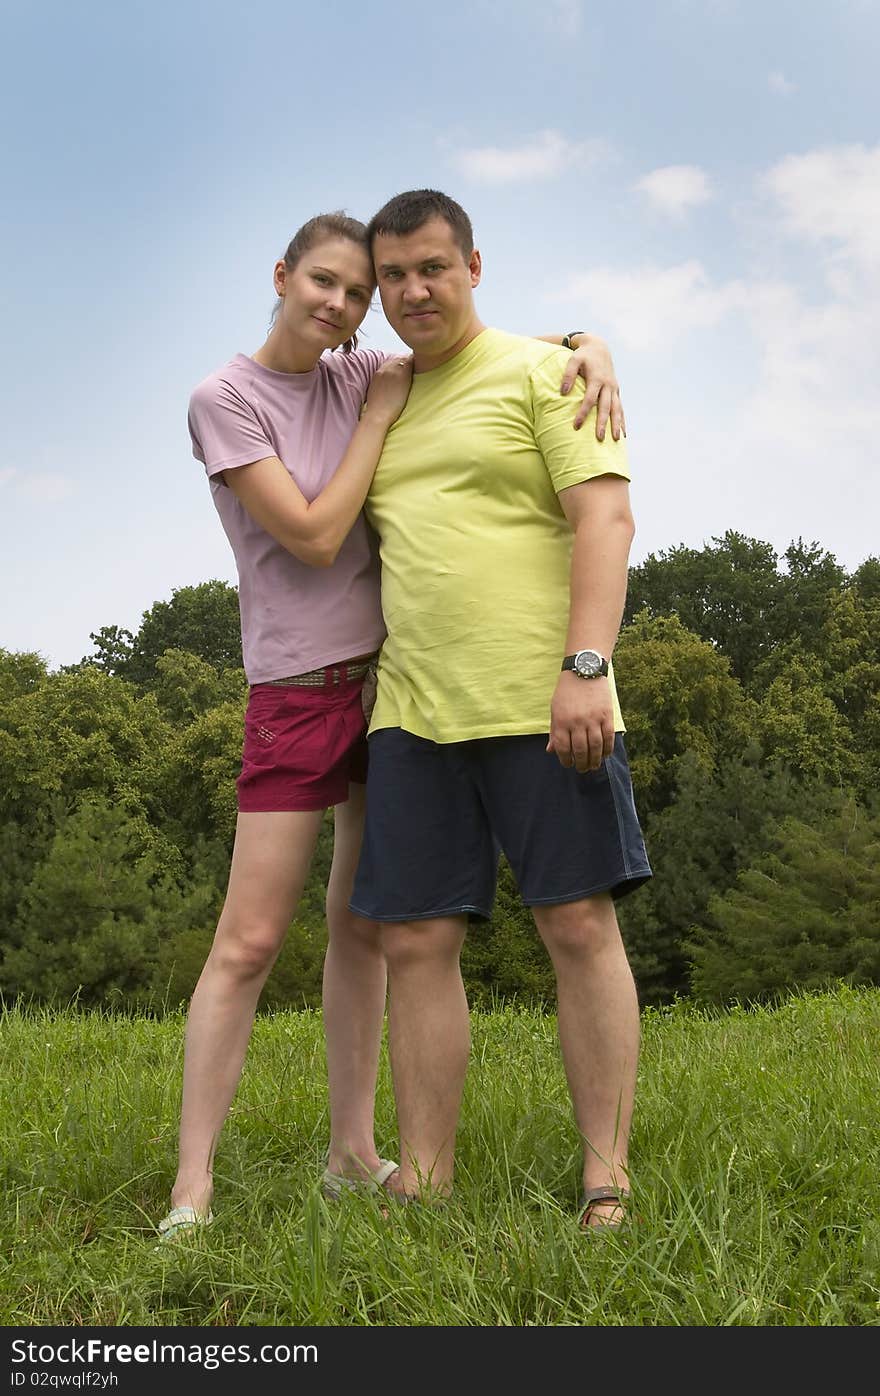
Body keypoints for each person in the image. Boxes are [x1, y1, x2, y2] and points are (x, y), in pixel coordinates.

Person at [156, 209, 628, 1237]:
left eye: (358, 291)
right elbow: (319, 537)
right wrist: (380, 410)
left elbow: (497, 358)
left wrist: (588, 339)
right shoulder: (253, 396)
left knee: (393, 925)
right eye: (337, 282)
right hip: (322, 693)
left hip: (430, 689)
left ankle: (373, 1154)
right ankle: (202, 1182)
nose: (349, 303)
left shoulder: (381, 370)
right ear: (280, 275)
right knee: (279, 937)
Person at [350, 190, 652, 1230]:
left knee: (574, 922)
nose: (412, 290)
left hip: (542, 697)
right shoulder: (378, 398)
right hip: (412, 713)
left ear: (474, 264)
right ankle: (425, 1172)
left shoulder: (542, 371)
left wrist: (587, 664)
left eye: (432, 267)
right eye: (393, 275)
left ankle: (604, 1172)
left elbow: (604, 515)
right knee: (416, 944)